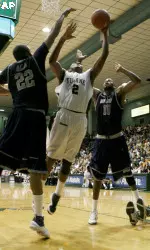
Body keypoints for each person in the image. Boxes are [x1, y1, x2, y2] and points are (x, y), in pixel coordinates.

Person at [0, 8, 75, 238]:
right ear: (29, 53)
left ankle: (39, 219)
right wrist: (61, 18)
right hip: (34, 118)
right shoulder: (35, 60)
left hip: (16, 116)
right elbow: (52, 36)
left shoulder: (9, 70)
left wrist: (5, 91)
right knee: (35, 169)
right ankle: (38, 218)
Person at [46, 22, 109, 214]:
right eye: (75, 63)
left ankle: (57, 194)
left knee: (68, 160)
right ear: (72, 67)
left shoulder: (88, 76)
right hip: (65, 114)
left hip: (80, 119)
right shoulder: (65, 75)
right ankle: (39, 193)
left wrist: (105, 35)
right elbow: (52, 61)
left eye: (79, 63)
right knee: (50, 157)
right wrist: (63, 39)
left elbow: (104, 56)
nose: (78, 64)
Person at [88, 63, 149, 225]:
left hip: (117, 139)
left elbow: (137, 81)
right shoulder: (97, 95)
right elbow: (85, 82)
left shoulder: (119, 93)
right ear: (102, 85)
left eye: (110, 80)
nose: (108, 80)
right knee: (97, 178)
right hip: (101, 140)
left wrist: (122, 70)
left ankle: (139, 201)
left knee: (128, 172)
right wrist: (80, 67)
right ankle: (93, 212)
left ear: (114, 85)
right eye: (105, 80)